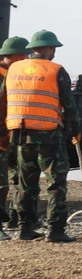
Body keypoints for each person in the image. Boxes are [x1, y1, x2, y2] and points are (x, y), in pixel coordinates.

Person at [0, 30, 81, 242]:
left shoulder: (13, 69)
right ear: (50, 48)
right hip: (48, 136)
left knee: (26, 183)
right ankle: (55, 230)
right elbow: (69, 105)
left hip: (19, 134)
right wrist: (76, 131)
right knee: (55, 183)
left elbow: (2, 100)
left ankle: (25, 228)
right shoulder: (55, 70)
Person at [0, 36, 29, 241]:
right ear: (17, 55)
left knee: (18, 176)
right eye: (25, 54)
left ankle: (14, 219)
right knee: (1, 183)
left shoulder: (12, 74)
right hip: (2, 136)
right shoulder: (3, 76)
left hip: (12, 135)